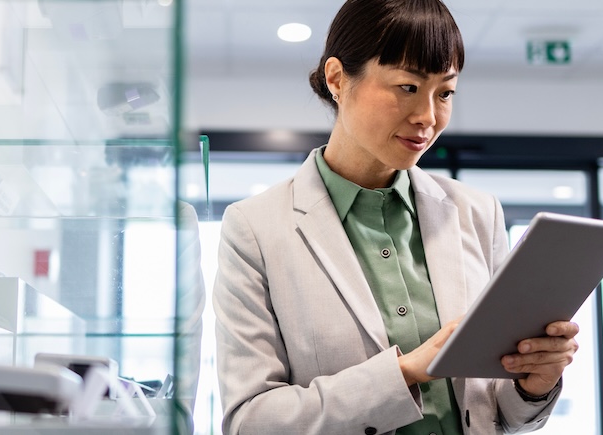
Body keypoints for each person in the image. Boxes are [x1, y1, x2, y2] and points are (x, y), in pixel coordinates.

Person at [211, 0, 579, 434]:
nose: (427, 117)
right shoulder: (255, 229)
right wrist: (404, 373)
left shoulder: (478, 213)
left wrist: (532, 386)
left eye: (445, 93)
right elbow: (250, 422)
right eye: (407, 87)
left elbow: (492, 413)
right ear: (337, 79)